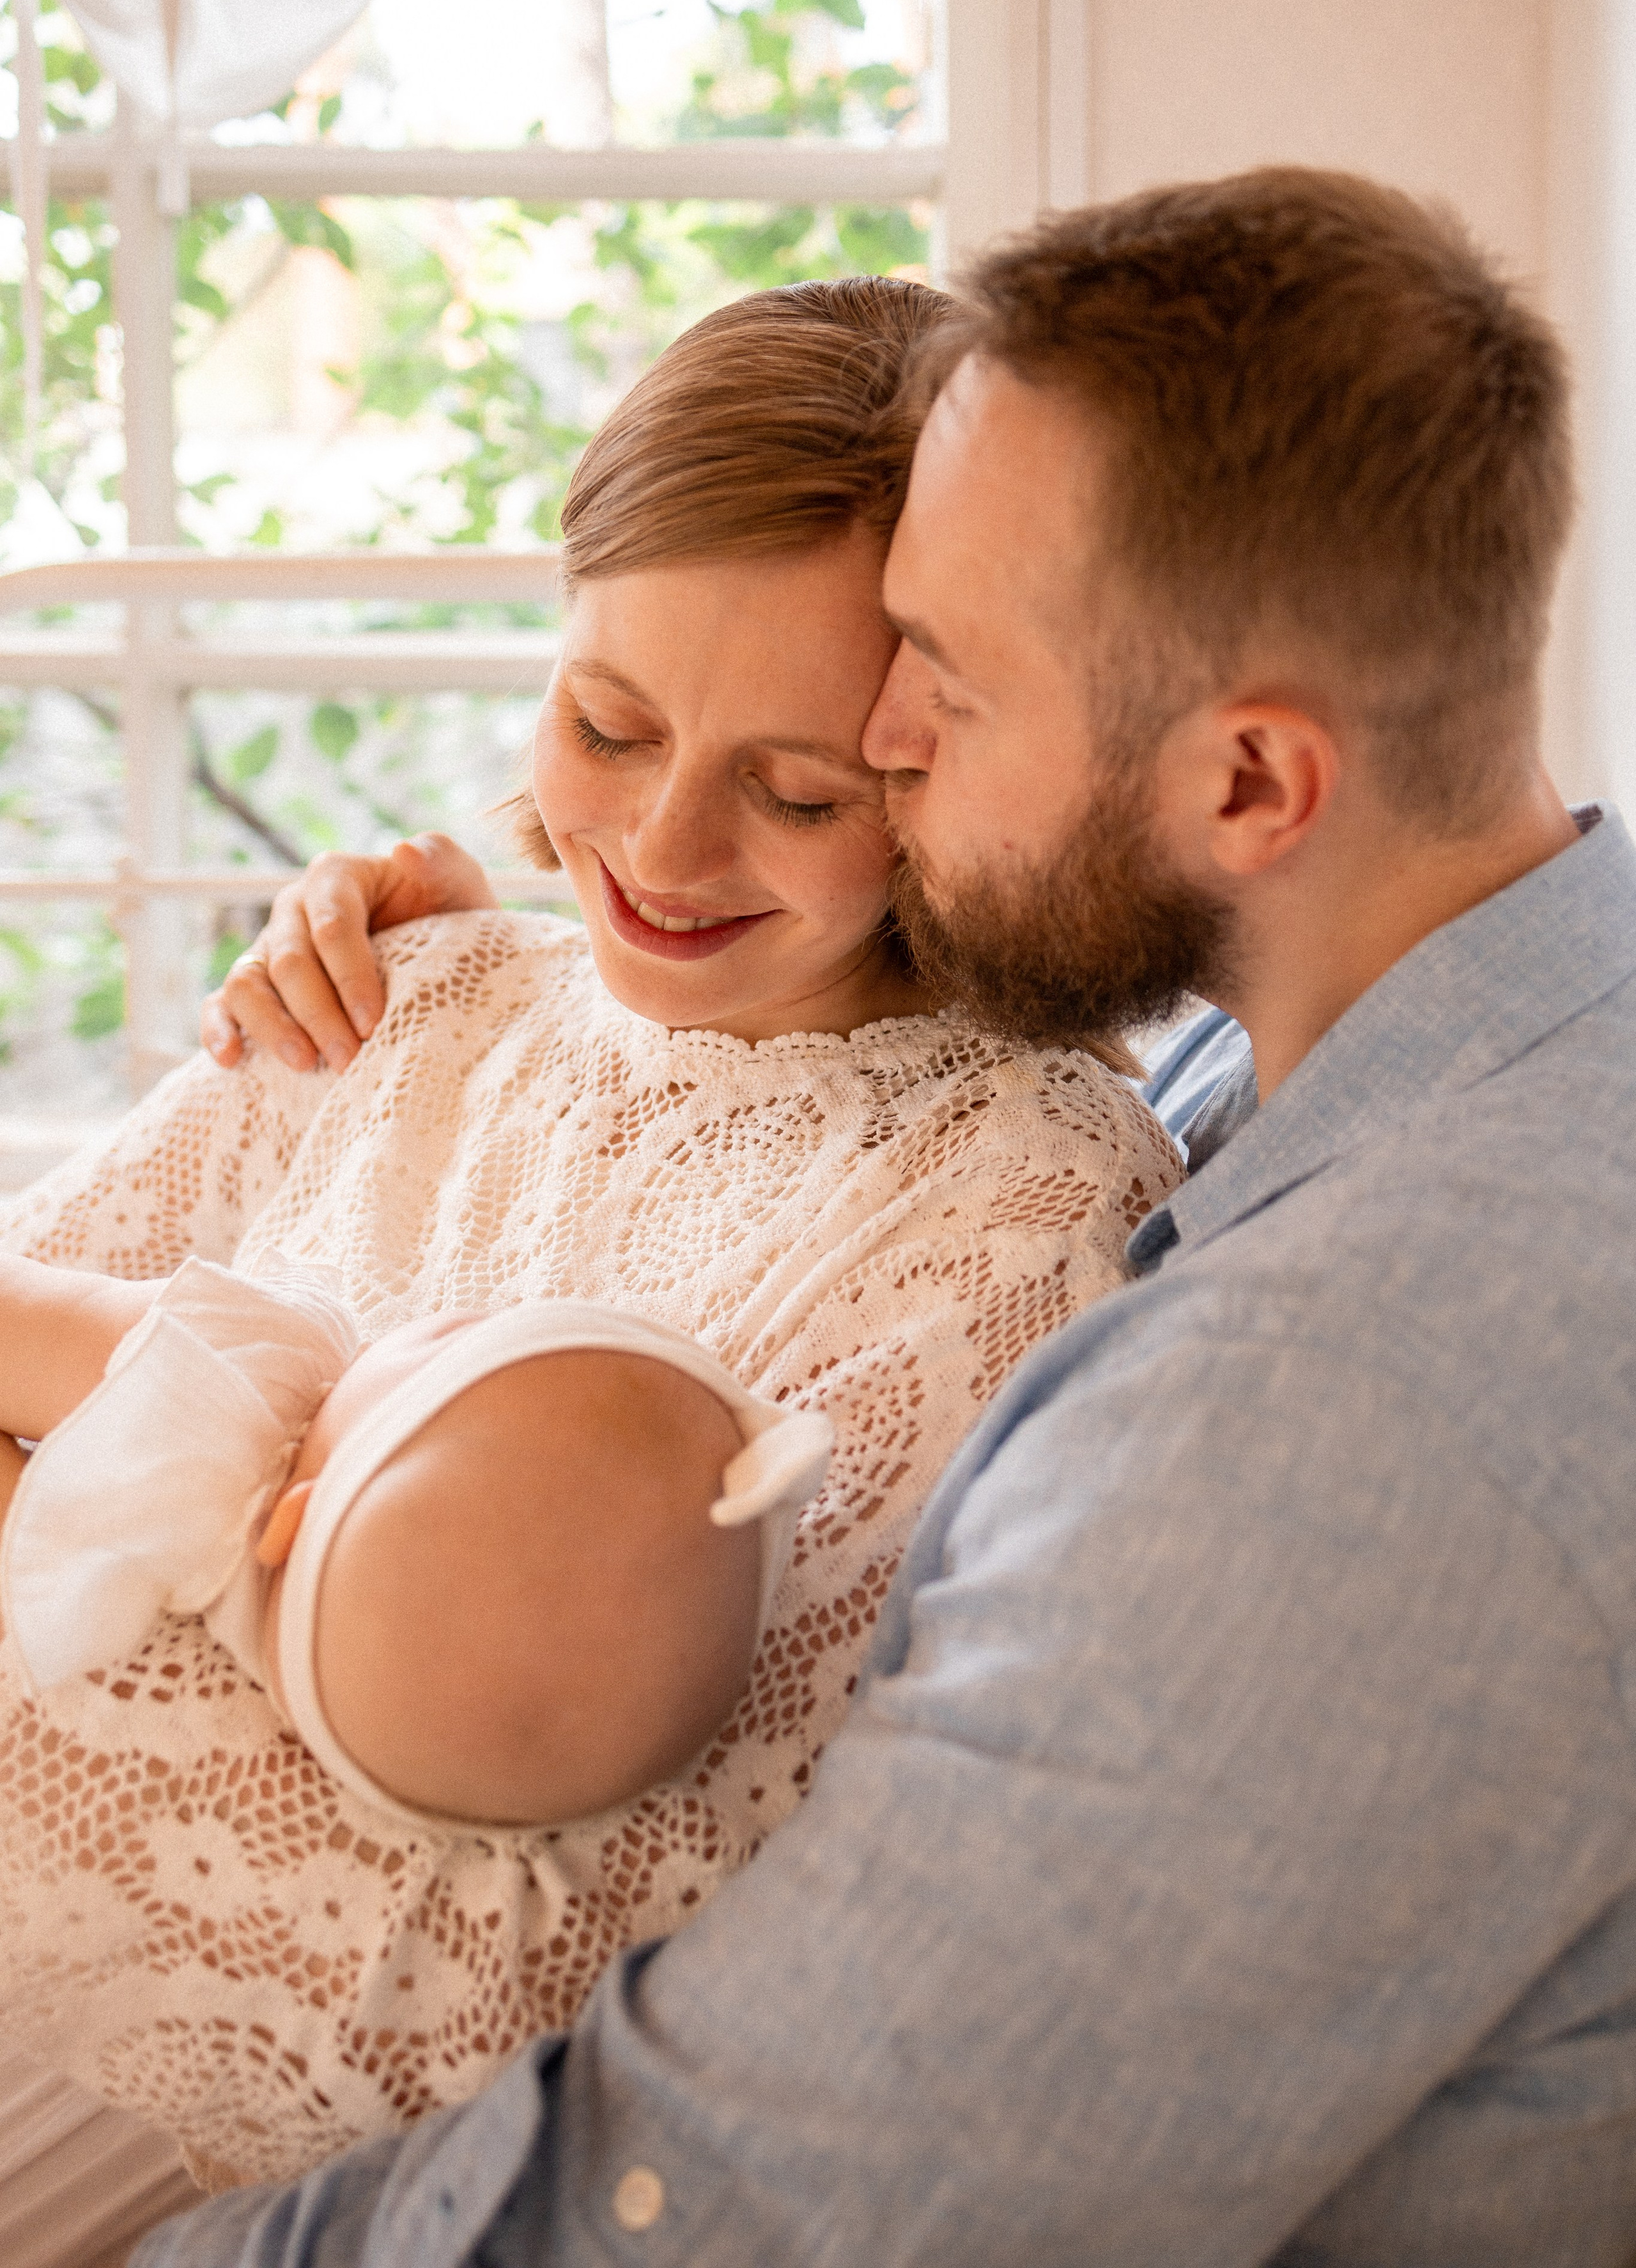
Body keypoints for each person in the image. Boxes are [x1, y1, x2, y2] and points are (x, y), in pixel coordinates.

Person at [146, 166, 1636, 2268]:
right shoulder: (1436, 1038)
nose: (890, 736)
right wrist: (557, 1033)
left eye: (942, 679)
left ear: (1247, 790)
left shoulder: (1341, 1408)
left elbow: (725, 2212)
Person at [0, 275, 1177, 2200]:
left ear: (968, 765)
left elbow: (566, 1926)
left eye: (799, 791)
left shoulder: (1012, 1207)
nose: (660, 848)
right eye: (604, 721)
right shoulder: (417, 996)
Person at [0, 1252, 831, 1829]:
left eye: (456, 1340)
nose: (458, 1312)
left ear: (297, 1514)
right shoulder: (164, 1668)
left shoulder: (222, 1398)